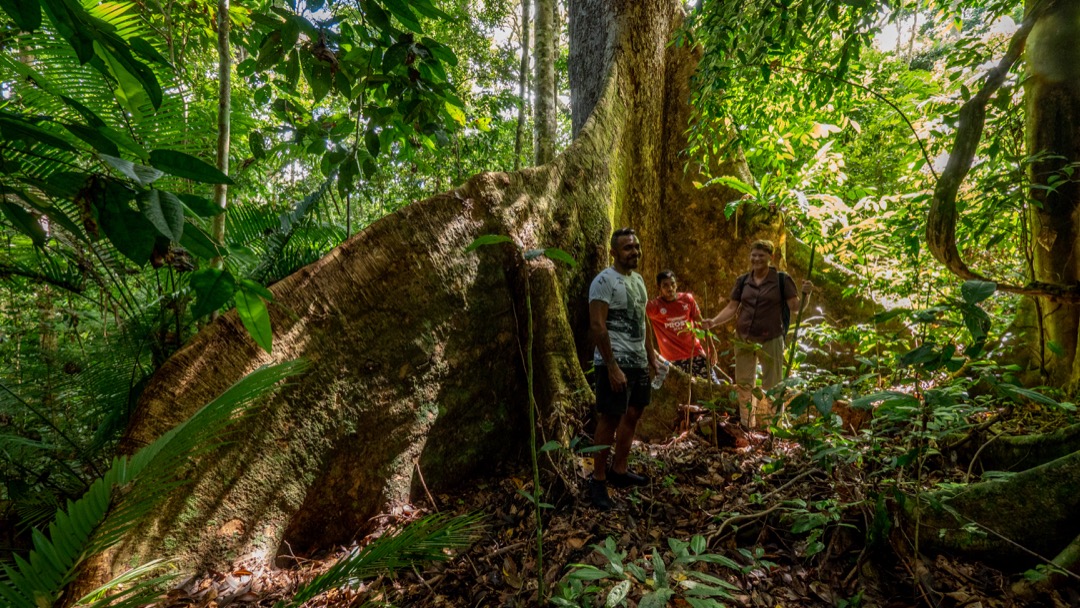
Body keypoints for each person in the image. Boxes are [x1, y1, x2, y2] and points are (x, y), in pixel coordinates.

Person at [702, 240, 811, 429]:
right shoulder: (743, 280)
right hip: (744, 337)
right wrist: (714, 321)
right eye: (754, 255)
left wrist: (807, 294)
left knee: (773, 386)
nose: (757, 259)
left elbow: (795, 308)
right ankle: (747, 425)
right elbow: (732, 307)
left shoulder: (781, 280)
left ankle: (773, 429)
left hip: (771, 338)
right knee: (744, 384)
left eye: (761, 255)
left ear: (771, 257)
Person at [588, 227, 659, 510]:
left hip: (638, 362)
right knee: (610, 419)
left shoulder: (639, 280)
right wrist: (612, 366)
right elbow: (597, 325)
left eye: (637, 247)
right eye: (628, 248)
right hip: (614, 363)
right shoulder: (603, 281)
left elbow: (644, 321)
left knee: (633, 413)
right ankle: (598, 478)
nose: (635, 252)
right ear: (614, 252)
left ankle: (619, 469)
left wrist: (651, 357)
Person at [646, 270, 712, 378]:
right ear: (659, 288)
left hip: (695, 353)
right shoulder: (654, 307)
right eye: (665, 285)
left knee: (712, 385)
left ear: (676, 284)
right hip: (672, 360)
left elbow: (701, 324)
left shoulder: (687, 299)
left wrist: (711, 348)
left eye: (672, 284)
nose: (670, 288)